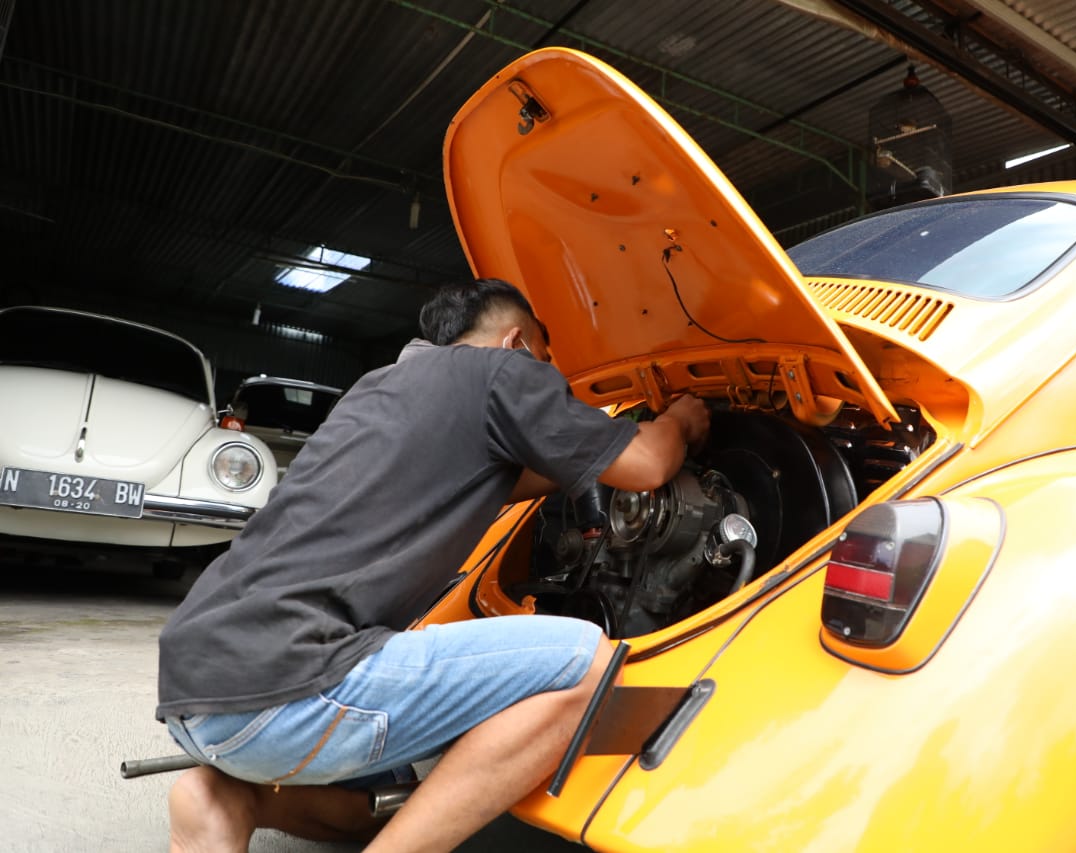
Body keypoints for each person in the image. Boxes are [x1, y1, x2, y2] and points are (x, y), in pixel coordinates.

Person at [156, 277, 710, 852]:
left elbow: (513, 477)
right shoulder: (503, 373)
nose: (548, 375)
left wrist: (597, 448)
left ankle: (223, 798)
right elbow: (646, 464)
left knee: (392, 800)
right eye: (545, 358)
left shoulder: (382, 387)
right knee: (587, 664)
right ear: (516, 342)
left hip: (198, 687)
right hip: (293, 684)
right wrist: (678, 423)